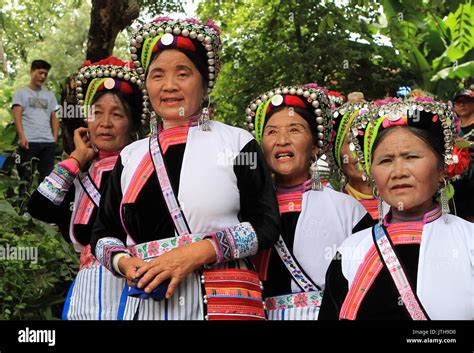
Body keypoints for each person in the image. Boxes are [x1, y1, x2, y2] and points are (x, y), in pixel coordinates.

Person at [91, 17, 280, 320]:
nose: (169, 86)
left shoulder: (236, 142)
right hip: (150, 302)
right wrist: (125, 263)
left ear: (204, 83)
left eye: (183, 73)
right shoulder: (129, 156)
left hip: (224, 298)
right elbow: (102, 234)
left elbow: (266, 225)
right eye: (157, 75)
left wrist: (197, 253)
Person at [319, 98, 474, 320]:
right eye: (385, 161)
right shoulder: (351, 250)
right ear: (372, 174)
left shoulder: (469, 242)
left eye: (411, 157)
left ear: (441, 168)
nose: (398, 171)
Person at [243, 83, 373, 320]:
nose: (282, 140)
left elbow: (365, 285)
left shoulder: (348, 211)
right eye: (271, 132)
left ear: (314, 146)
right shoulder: (245, 208)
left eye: (294, 130)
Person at [28, 57, 144, 320]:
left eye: (117, 114)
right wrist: (76, 159)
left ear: (133, 125)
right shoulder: (79, 176)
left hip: (133, 286)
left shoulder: (143, 171)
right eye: (97, 113)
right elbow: (39, 207)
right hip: (86, 294)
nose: (105, 123)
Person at [12, 59, 60, 193]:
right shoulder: (21, 93)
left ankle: (42, 210)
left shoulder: (50, 95)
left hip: (47, 143)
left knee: (46, 180)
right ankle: (23, 211)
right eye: (40, 73)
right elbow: (17, 115)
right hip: (28, 142)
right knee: (26, 178)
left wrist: (54, 138)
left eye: (45, 74)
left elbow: (55, 116)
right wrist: (22, 136)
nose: (43, 77)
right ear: (32, 72)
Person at [451, 89, 474, 222]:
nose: (462, 105)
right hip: (456, 179)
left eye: (466, 101)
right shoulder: (451, 128)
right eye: (458, 102)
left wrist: (467, 144)